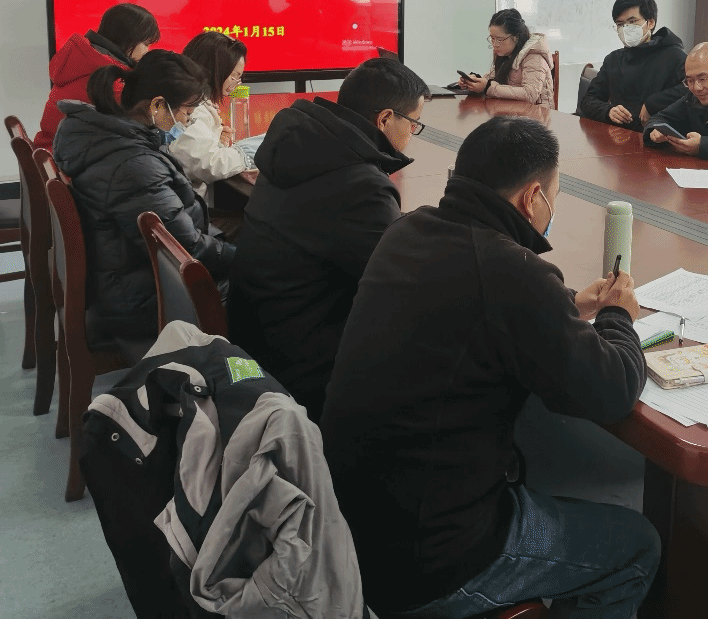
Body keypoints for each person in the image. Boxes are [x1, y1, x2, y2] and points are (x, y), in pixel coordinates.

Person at [322, 116, 659, 619]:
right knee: (637, 546)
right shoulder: (514, 273)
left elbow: (475, 302)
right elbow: (613, 390)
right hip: (432, 561)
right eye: (554, 196)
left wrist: (567, 302)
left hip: (349, 527)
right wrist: (617, 316)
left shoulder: (407, 230)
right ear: (532, 198)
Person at [227, 58, 429, 418]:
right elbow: (402, 287)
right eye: (413, 123)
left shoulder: (301, 143)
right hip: (303, 366)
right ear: (385, 119)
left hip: (256, 332)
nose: (412, 133)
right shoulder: (361, 185)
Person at [51, 50, 233, 353]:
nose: (187, 122)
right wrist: (244, 257)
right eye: (186, 113)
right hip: (141, 301)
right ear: (157, 105)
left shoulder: (109, 137)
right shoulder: (133, 164)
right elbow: (186, 248)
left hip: (122, 279)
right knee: (269, 282)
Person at [35, 2, 160, 149]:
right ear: (128, 39)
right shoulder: (110, 81)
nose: (147, 51)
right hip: (69, 157)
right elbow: (157, 121)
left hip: (53, 149)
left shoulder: (84, 60)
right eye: (146, 44)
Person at [578, 0, 687, 130]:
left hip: (656, 135)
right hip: (618, 134)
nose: (626, 29)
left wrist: (653, 103)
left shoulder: (675, 56)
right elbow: (588, 100)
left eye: (632, 22)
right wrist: (608, 111)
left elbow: (692, 92)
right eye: (620, 24)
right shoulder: (613, 59)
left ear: (650, 22)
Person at [169, 31, 252, 200]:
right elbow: (207, 164)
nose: (236, 83)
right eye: (234, 76)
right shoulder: (192, 109)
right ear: (215, 71)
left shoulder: (196, 105)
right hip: (190, 207)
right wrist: (246, 154)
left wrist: (216, 140)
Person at [458, 8, 553, 107]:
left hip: (537, 113)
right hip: (512, 110)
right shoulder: (505, 54)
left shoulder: (534, 56)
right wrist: (473, 81)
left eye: (499, 39)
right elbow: (490, 78)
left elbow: (530, 94)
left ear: (516, 37)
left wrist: (487, 87)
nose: (495, 44)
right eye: (492, 38)